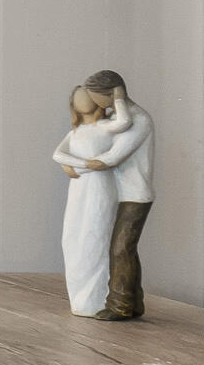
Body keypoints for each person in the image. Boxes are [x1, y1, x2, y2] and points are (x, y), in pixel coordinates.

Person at [53, 70, 154, 318]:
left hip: (134, 193)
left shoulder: (137, 119)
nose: (94, 102)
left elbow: (109, 159)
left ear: (112, 94)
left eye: (97, 96)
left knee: (120, 248)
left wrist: (75, 165)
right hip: (120, 192)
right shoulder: (110, 121)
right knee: (124, 248)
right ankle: (132, 301)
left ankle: (119, 306)